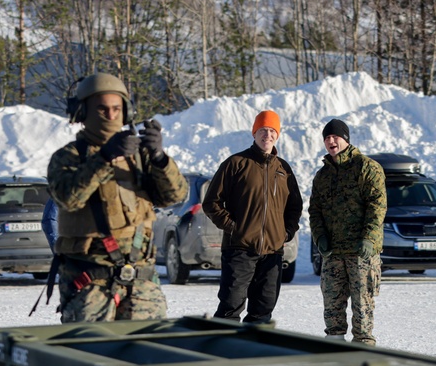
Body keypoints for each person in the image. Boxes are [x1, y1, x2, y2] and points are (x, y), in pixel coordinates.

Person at [47, 72, 187, 323]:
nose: (111, 116)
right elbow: (68, 198)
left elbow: (175, 196)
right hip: (90, 282)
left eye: (117, 109)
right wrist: (103, 160)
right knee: (90, 355)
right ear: (82, 112)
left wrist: (159, 159)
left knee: (147, 355)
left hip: (141, 282)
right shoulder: (68, 157)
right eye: (102, 109)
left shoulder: (139, 157)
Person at [202, 110, 303, 324]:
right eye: (263, 130)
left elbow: (295, 206)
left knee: (263, 310)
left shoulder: (284, 169)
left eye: (272, 130)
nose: (268, 135)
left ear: (278, 135)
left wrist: (286, 232)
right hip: (239, 249)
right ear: (254, 133)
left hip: (272, 252)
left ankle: (254, 354)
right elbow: (211, 202)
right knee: (231, 306)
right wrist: (234, 228)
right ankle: (224, 353)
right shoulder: (235, 163)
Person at [308, 119, 386, 345]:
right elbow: (315, 210)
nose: (331, 141)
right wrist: (320, 236)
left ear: (346, 138)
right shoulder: (322, 176)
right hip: (333, 253)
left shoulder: (366, 167)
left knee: (363, 306)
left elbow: (377, 205)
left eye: (335, 136)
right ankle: (335, 347)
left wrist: (369, 238)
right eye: (327, 138)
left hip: (361, 252)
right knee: (332, 305)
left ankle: (363, 350)